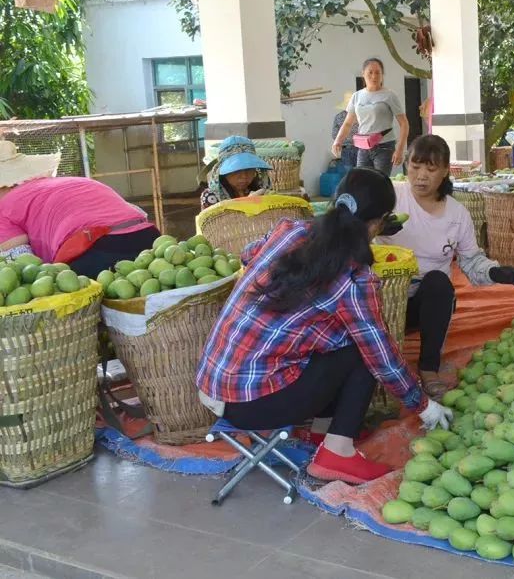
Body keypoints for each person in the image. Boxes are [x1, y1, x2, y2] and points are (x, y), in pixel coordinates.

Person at [195, 168, 452, 485]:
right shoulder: (354, 278)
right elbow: (382, 357)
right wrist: (423, 406)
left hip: (213, 384)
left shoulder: (290, 231)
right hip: (251, 403)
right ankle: (337, 451)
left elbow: (249, 254)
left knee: (338, 337)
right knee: (362, 349)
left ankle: (321, 436)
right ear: (377, 223)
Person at [378, 135, 514, 399]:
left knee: (438, 282)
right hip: (382, 301)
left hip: (425, 306)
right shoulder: (389, 196)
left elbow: (471, 259)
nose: (421, 176)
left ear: (445, 171)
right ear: (406, 166)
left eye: (430, 169)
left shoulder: (457, 215)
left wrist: (495, 272)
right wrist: (375, 226)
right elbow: (349, 229)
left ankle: (428, 368)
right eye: (415, 167)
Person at [0, 141, 160, 275]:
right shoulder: (71, 182)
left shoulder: (4, 206)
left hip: (96, 252)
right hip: (151, 240)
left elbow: (21, 264)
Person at [331, 57, 409, 176]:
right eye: (370, 72)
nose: (374, 76)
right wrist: (338, 141)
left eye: (378, 72)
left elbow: (404, 123)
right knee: (361, 181)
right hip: (363, 146)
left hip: (384, 146)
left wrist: (400, 149)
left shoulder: (389, 95)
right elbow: (347, 123)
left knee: (380, 183)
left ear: (382, 75)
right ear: (363, 74)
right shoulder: (357, 96)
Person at [200, 136, 273, 210]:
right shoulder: (210, 196)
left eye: (249, 170)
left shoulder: (259, 190)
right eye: (237, 170)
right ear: (224, 172)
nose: (244, 176)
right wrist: (248, 203)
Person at [332, 93, 359, 170]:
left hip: (346, 149)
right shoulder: (360, 116)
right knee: (362, 174)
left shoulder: (338, 117)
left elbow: (334, 135)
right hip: (361, 149)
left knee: (350, 175)